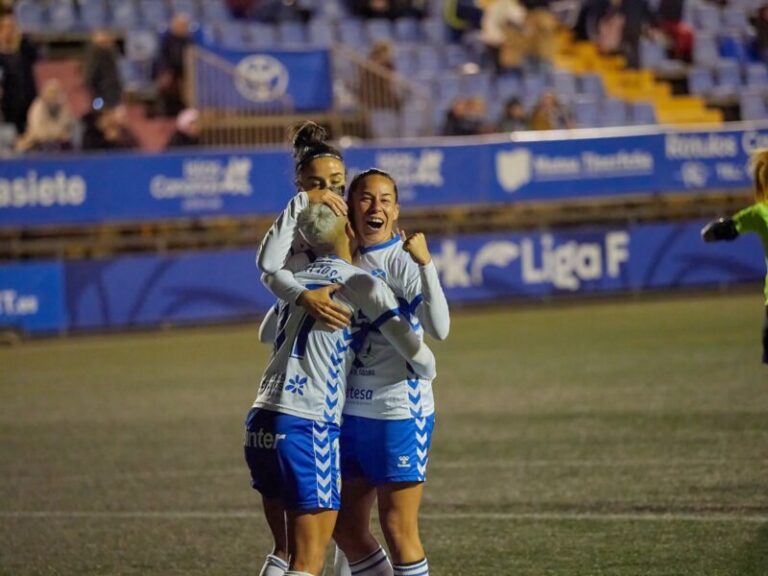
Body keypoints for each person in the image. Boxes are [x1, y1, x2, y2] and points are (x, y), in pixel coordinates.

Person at [260, 153, 450, 576]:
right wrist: (301, 298)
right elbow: (268, 326)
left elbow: (439, 328)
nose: (375, 207)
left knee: (398, 527)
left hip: (396, 409)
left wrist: (426, 264)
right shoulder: (338, 261)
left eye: (385, 200)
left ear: (396, 210)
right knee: (345, 528)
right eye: (365, 198)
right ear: (349, 207)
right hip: (347, 412)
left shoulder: (400, 260)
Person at [701, 148, 768, 366]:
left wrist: (720, 230)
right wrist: (721, 229)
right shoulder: (760, 213)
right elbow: (729, 228)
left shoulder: (760, 212)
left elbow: (725, 230)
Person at [0, 12, 37, 135]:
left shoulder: (23, 50)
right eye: (6, 27)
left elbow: (35, 56)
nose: (10, 31)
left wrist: (23, 38)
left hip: (26, 99)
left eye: (12, 27)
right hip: (7, 104)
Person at [15, 78, 75, 152]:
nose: (54, 97)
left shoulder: (63, 107)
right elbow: (39, 132)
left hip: (59, 144)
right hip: (38, 144)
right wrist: (56, 134)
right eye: (51, 93)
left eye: (56, 94)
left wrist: (55, 134)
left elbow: (68, 131)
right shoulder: (37, 107)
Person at [154, 12, 192, 116]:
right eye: (179, 25)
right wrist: (165, 72)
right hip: (169, 71)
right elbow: (161, 58)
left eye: (183, 25)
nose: (181, 27)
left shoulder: (189, 41)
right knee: (166, 83)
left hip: (185, 72)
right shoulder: (166, 40)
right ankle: (165, 114)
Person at [83, 28, 123, 109]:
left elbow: (116, 75)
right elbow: (90, 77)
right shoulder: (93, 55)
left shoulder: (112, 52)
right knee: (99, 112)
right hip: (99, 93)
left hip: (112, 93)